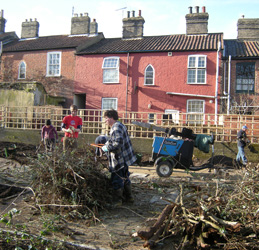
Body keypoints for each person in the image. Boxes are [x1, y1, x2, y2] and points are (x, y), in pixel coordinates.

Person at [102, 109, 136, 206]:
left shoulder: (116, 128)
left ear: (111, 118)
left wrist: (106, 148)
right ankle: (129, 198)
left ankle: (118, 201)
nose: (105, 121)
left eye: (106, 118)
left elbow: (117, 144)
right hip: (125, 158)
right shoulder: (119, 125)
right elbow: (114, 140)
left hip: (120, 159)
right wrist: (107, 143)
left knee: (117, 178)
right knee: (125, 176)